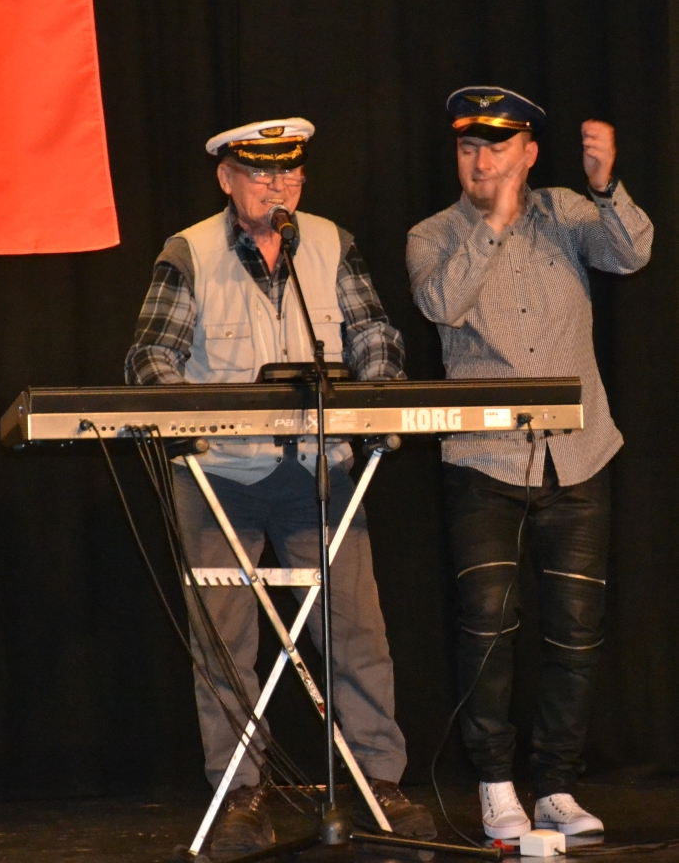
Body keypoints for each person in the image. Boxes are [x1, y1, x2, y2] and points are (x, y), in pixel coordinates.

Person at [126, 118, 435, 856]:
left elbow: (376, 337)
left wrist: (379, 401)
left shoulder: (329, 243)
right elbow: (150, 357)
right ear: (226, 178)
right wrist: (186, 421)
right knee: (225, 644)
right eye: (262, 173)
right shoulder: (188, 251)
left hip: (318, 472)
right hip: (219, 477)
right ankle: (240, 796)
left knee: (356, 632)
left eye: (290, 173)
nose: (279, 187)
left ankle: (379, 786)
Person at [406, 88, 653, 841]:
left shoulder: (566, 212)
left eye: (497, 147)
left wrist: (606, 186)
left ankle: (556, 786)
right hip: (484, 463)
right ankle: (495, 783)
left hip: (578, 456)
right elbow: (440, 304)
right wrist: (494, 224)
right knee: (487, 625)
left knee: (575, 628)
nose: (481, 161)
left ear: (530, 153)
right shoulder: (432, 233)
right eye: (468, 148)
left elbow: (632, 253)